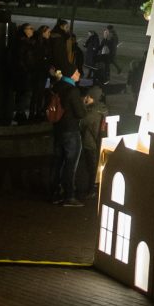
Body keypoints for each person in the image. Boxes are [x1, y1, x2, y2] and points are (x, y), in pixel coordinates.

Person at [50, 67, 85, 205]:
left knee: (58, 162)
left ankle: (54, 193)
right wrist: (84, 104)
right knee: (71, 163)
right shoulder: (72, 90)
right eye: (76, 72)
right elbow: (80, 113)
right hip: (71, 130)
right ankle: (69, 195)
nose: (79, 74)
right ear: (71, 75)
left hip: (58, 129)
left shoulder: (56, 87)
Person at [78, 82, 107, 199]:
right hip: (96, 142)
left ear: (93, 98)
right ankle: (93, 188)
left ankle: (92, 190)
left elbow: (81, 122)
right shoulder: (101, 109)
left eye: (89, 97)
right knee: (94, 167)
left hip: (91, 144)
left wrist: (82, 104)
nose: (86, 98)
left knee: (92, 168)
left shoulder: (93, 112)